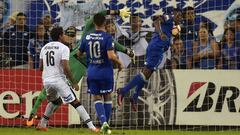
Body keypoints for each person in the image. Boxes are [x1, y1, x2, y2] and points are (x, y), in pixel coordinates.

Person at [36, 26, 99, 132]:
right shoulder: (63, 48)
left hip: (46, 81)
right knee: (76, 102)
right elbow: (66, 67)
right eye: (64, 34)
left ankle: (42, 124)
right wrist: (74, 82)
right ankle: (92, 127)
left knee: (56, 101)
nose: (65, 36)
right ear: (60, 36)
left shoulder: (44, 47)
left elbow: (40, 67)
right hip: (59, 80)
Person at [117, 11, 182, 111]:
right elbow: (156, 21)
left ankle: (134, 96)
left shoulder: (171, 25)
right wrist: (161, 34)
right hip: (156, 48)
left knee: (146, 75)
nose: (181, 20)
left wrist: (171, 44)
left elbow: (167, 34)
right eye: (180, 17)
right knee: (145, 74)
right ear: (177, 14)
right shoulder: (169, 16)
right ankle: (123, 90)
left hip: (158, 49)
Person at [77, 13, 124, 134]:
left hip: (92, 72)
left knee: (96, 97)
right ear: (104, 24)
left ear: (93, 23)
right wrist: (119, 62)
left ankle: (103, 123)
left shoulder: (86, 37)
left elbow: (78, 54)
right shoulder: (107, 37)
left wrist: (89, 57)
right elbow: (110, 55)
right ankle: (106, 124)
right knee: (107, 96)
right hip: (105, 72)